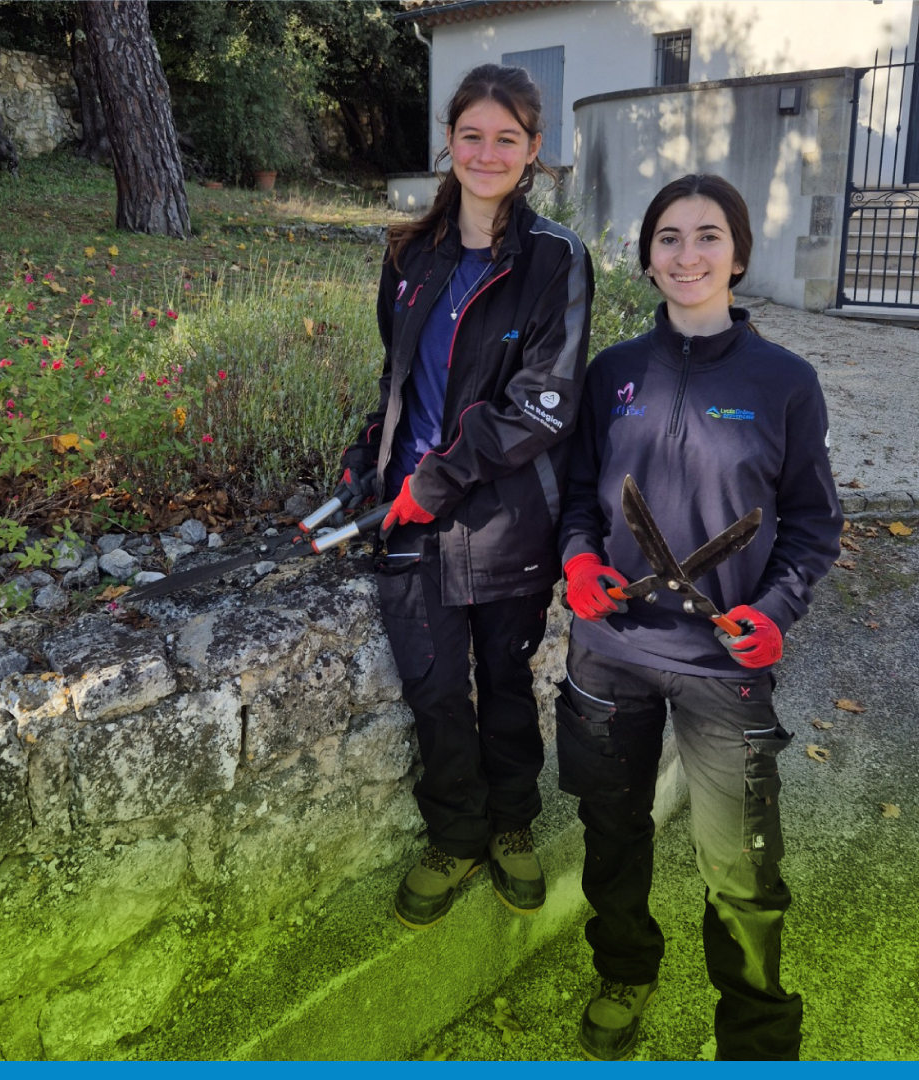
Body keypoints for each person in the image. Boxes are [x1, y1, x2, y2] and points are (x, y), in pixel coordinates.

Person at [556, 173, 842, 1060]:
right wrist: (579, 560)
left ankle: (756, 1039)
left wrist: (777, 609)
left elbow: (813, 522)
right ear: (647, 258)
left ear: (739, 254)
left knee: (742, 869)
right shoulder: (611, 374)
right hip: (609, 652)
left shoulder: (786, 382)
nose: (688, 255)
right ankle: (624, 970)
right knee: (611, 831)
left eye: (708, 235)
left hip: (724, 667)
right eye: (669, 238)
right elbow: (577, 494)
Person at [339, 64, 593, 930]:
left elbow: (545, 404)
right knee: (436, 690)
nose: (488, 153)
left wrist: (436, 480)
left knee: (506, 681)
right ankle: (455, 836)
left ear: (533, 150)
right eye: (472, 135)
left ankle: (513, 823)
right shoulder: (409, 254)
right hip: (409, 514)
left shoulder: (556, 260)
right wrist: (366, 462)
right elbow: (397, 378)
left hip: (504, 515)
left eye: (506, 139)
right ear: (449, 141)